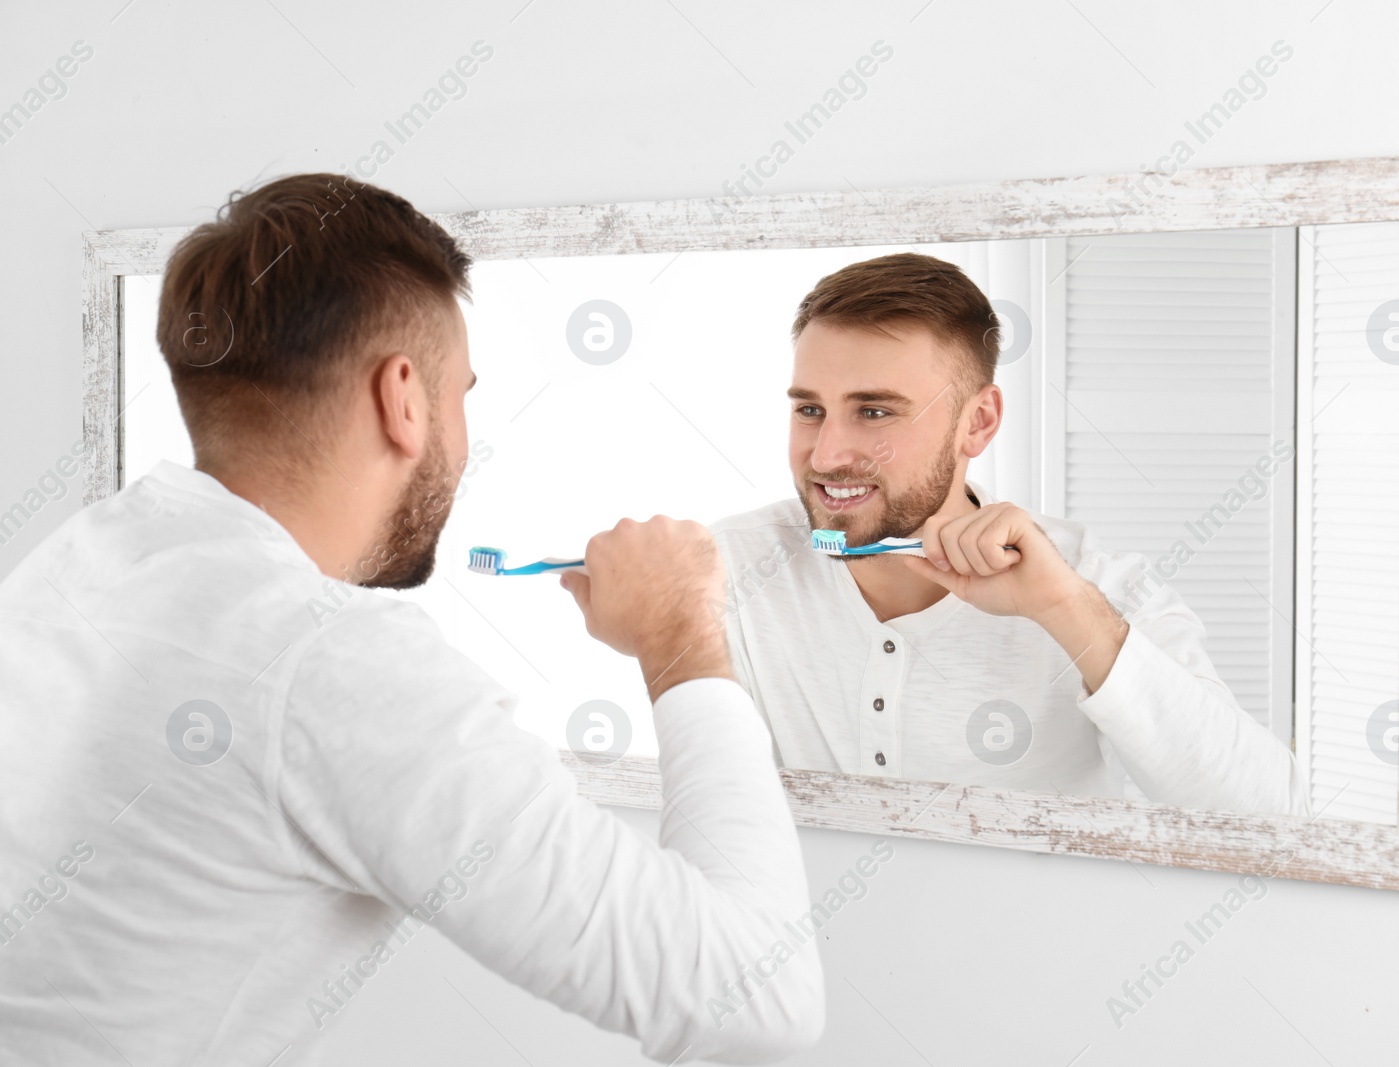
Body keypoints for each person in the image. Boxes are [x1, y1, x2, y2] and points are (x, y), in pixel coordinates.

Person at [0, 174, 823, 1064]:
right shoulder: (328, 662)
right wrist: (679, 635)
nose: (464, 439)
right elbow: (760, 1000)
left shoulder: (85, 555)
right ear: (402, 396)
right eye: (461, 393)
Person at [709, 252, 1310, 816]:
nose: (828, 453)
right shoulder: (726, 568)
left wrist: (1064, 609)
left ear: (978, 422)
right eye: (810, 410)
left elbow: (1275, 819)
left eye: (875, 412)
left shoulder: (1094, 585)